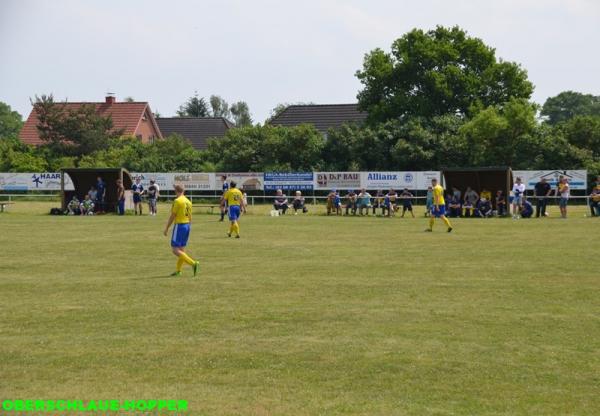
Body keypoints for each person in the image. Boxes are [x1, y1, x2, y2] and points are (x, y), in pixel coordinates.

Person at [163, 184, 199, 277]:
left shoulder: (177, 201)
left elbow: (172, 216)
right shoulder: (188, 201)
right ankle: (178, 271)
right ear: (184, 191)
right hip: (187, 225)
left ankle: (193, 263)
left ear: (176, 191)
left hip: (179, 226)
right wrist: (189, 226)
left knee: (175, 250)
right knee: (181, 250)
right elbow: (190, 216)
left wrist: (166, 227)